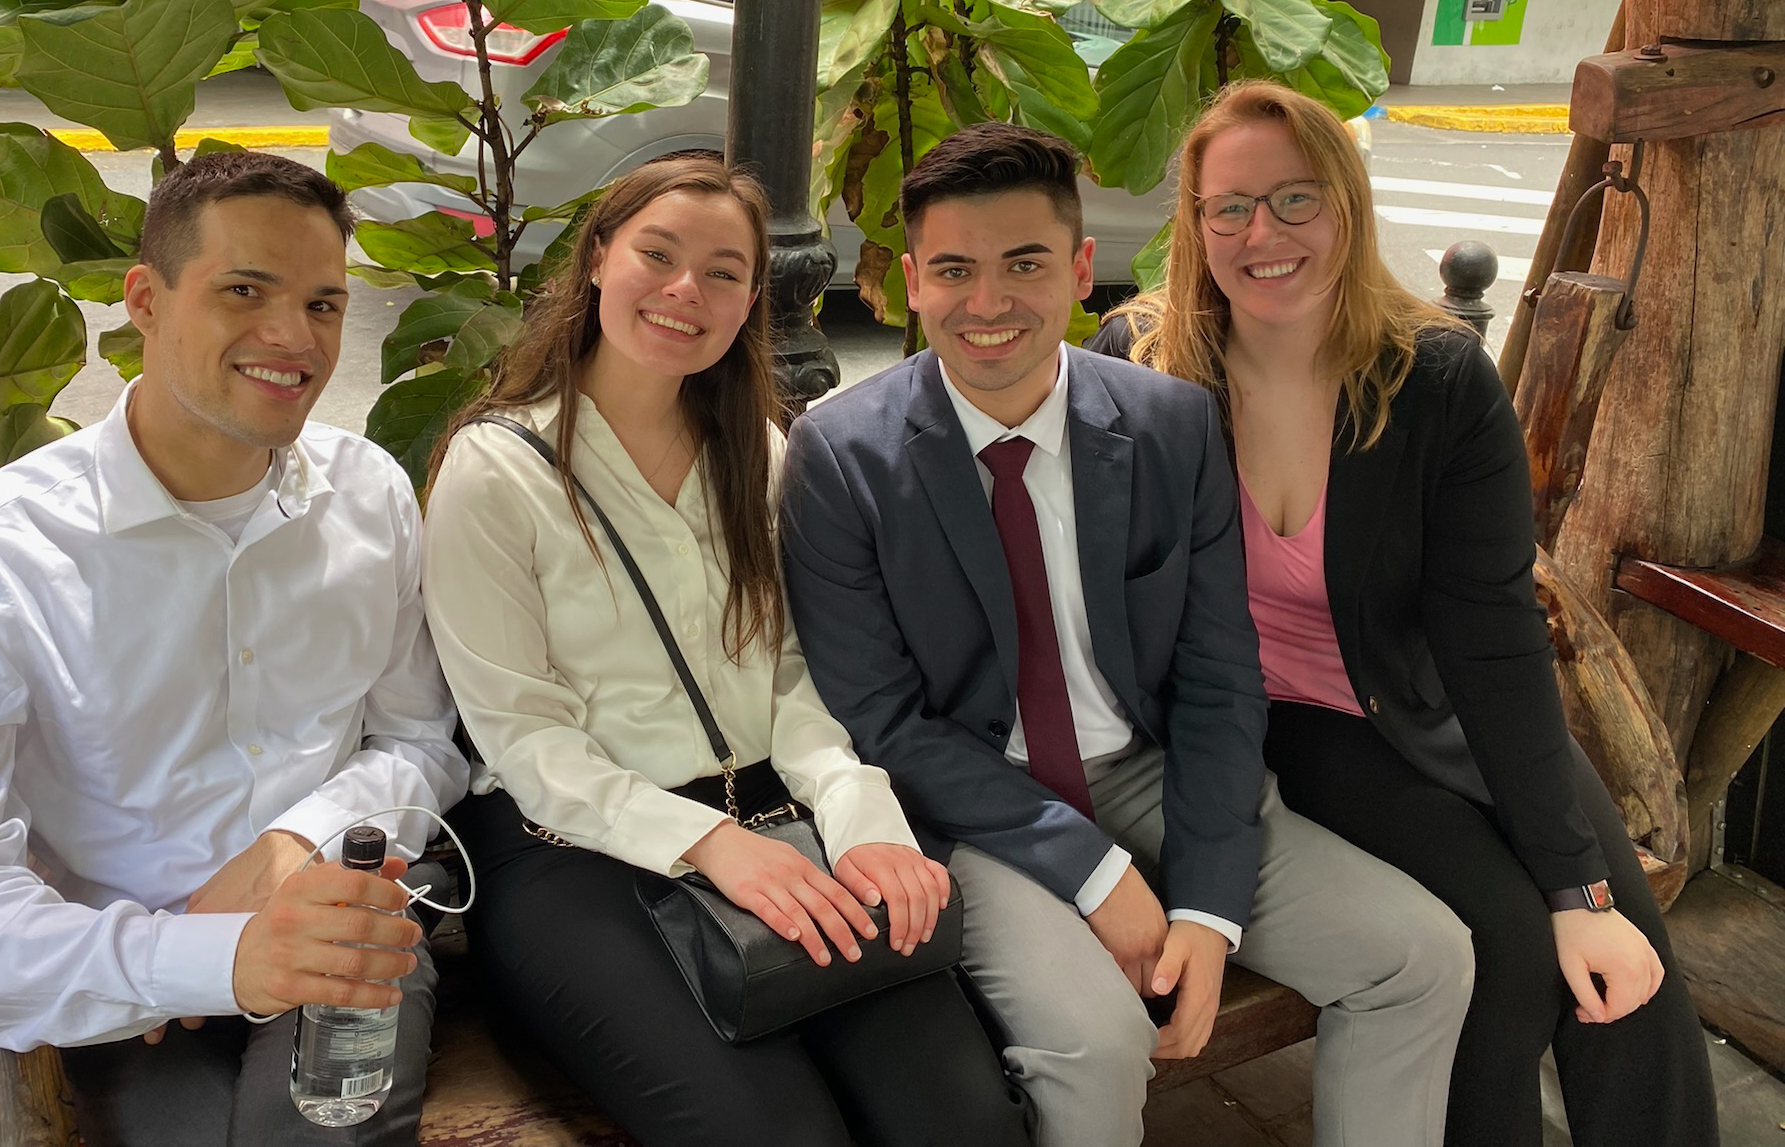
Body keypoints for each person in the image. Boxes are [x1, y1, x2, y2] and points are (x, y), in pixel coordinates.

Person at [779, 120, 1475, 1147]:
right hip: (968, 802)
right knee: (1098, 1044)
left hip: (1146, 768)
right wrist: (1098, 876)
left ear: (1082, 268)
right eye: (954, 270)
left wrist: (1205, 906)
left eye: (1025, 264)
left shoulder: (1167, 424)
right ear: (912, 281)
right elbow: (884, 721)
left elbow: (1216, 671)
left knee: (1422, 955)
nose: (988, 303)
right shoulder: (839, 457)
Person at [1088, 79, 1719, 1147]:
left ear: (1346, 205)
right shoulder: (1144, 369)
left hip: (1445, 697)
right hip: (1298, 719)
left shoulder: (1435, 378)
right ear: (1194, 224)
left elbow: (1493, 633)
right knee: (1514, 947)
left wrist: (1583, 886)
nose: (1262, 233)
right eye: (1229, 206)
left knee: (1624, 951)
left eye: (1295, 200)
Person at [421, 152, 1028, 1147]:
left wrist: (864, 821)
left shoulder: (761, 448)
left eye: (722, 271)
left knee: (960, 1119)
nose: (683, 292)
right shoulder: (500, 470)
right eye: (656, 254)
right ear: (598, 258)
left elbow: (802, 674)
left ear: (752, 297)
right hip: (576, 850)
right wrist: (708, 844)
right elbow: (522, 736)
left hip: (778, 817)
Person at [0, 151, 468, 1145]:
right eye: (244, 290)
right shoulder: (18, 550)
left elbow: (422, 744)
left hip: (347, 908)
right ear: (146, 299)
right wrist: (215, 956)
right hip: (129, 963)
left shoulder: (369, 492)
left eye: (326, 304)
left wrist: (295, 842)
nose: (293, 338)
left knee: (321, 1128)